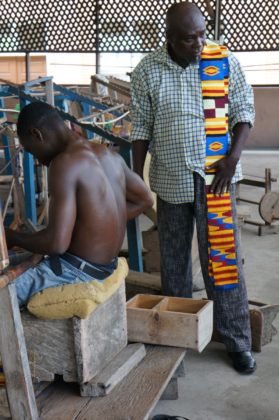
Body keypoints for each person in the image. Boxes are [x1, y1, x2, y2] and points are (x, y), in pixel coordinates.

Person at [130, 2, 256, 374]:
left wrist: (232, 159)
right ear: (168, 38)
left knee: (223, 263)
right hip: (171, 182)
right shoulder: (148, 70)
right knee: (173, 265)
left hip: (217, 182)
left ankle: (237, 341)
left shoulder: (222, 61)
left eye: (203, 34)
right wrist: (136, 182)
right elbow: (141, 130)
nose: (200, 43)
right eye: (189, 38)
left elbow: (244, 111)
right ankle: (176, 340)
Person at [5, 101, 153, 306]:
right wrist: (97, 224)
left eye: (31, 150)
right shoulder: (109, 155)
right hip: (104, 267)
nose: (36, 158)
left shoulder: (64, 163)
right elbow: (145, 200)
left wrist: (12, 237)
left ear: (37, 134)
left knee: (3, 299)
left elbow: (56, 244)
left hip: (75, 273)